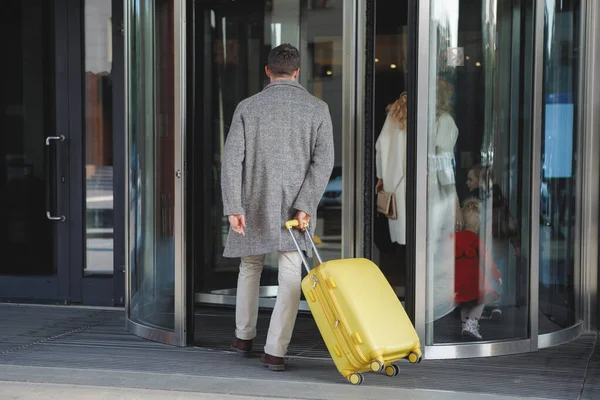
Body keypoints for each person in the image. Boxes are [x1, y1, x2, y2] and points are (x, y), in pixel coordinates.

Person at [221, 43, 335, 371]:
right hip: (293, 209)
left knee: (250, 267)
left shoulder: (248, 107)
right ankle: (275, 350)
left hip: (252, 202)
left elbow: (232, 161)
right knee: (289, 275)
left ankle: (243, 336)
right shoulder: (317, 109)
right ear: (297, 72)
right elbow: (324, 161)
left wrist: (234, 205)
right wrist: (305, 204)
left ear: (268, 71)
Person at [426, 78, 463, 324]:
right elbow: (444, 164)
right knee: (441, 250)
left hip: (424, 192)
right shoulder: (445, 121)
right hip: (439, 194)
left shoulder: (423, 119)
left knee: (428, 248)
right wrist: (456, 202)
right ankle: (436, 307)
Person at [454, 198, 502, 340]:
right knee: (481, 300)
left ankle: (465, 325)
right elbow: (487, 261)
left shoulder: (454, 238)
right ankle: (472, 323)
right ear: (479, 224)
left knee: (464, 303)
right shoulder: (476, 240)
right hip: (474, 280)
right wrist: (496, 276)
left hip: (458, 281)